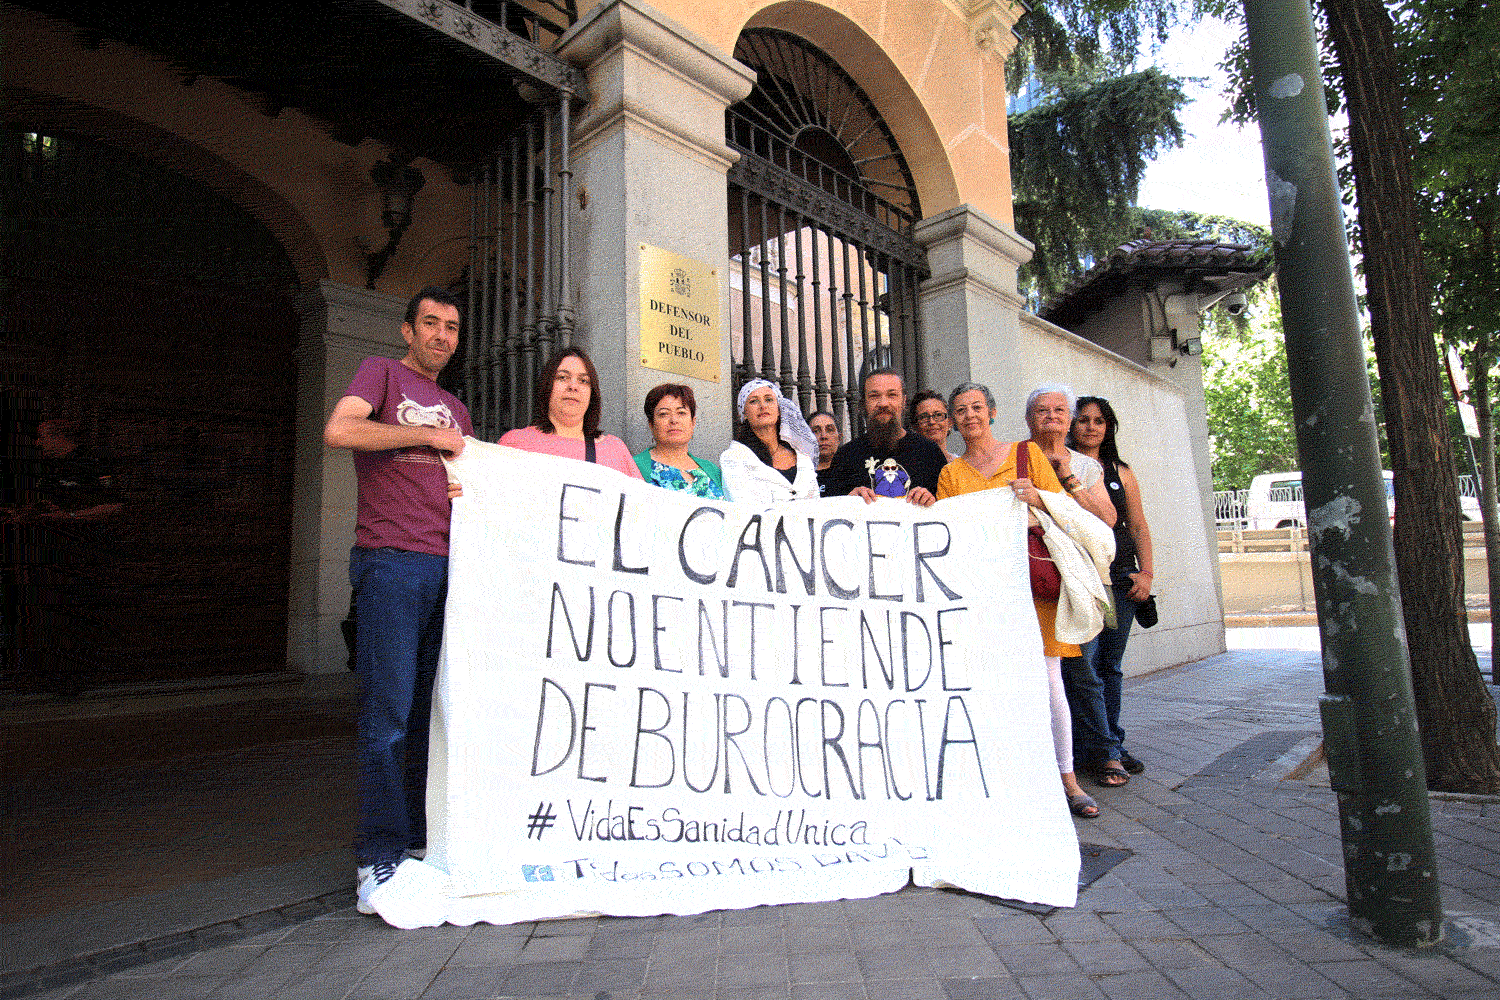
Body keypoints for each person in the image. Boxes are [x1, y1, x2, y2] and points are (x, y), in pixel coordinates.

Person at [322, 286, 472, 917]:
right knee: (385, 715)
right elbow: (339, 430)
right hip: (390, 564)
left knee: (425, 713)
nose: (441, 335)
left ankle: (412, 845)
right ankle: (376, 858)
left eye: (452, 328)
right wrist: (425, 437)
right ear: (408, 330)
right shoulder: (381, 375)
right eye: (430, 324)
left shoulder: (459, 408)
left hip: (447, 567)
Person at [936, 381, 1100, 819]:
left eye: (977, 407)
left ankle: (1067, 778)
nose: (969, 415)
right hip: (985, 589)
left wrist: (1037, 499)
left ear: (991, 413)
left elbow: (1068, 512)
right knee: (994, 683)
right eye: (961, 410)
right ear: (952, 423)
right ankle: (1013, 775)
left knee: (1049, 682)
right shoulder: (950, 475)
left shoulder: (1026, 455)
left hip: (1034, 582)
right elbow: (948, 532)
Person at [1069, 396, 1154, 778]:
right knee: (1085, 667)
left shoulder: (1122, 471)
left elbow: (1137, 525)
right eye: (1083, 420)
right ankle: (1099, 748)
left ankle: (1112, 743)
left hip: (1121, 581)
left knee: (1110, 667)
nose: (1090, 427)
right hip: (1085, 579)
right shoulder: (1063, 466)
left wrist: (1146, 573)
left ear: (1109, 427)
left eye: (1098, 421)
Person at [499, 348, 643, 480]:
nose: (573, 387)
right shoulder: (514, 443)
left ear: (592, 394)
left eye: (583, 381)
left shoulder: (614, 450)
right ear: (546, 386)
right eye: (562, 377)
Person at [823, 369, 944, 506]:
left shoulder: (930, 453)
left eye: (892, 395)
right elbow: (829, 513)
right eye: (874, 396)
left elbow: (949, 511)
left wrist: (932, 501)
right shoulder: (845, 457)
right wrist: (847, 501)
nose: (883, 403)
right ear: (863, 403)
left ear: (903, 401)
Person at [719, 379, 819, 503]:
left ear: (778, 410)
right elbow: (744, 507)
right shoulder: (734, 458)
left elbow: (816, 505)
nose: (763, 406)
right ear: (744, 413)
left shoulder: (802, 457)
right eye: (754, 401)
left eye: (769, 399)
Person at [634, 383, 728, 499]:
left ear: (693, 422)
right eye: (664, 414)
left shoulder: (712, 470)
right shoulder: (635, 467)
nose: (674, 420)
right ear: (651, 424)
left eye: (681, 413)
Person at [909, 389, 955, 462]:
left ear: (950, 422)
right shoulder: (907, 466)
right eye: (923, 417)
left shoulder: (963, 467)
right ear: (914, 426)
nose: (932, 422)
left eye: (938, 415)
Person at [808, 409, 841, 496]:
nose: (823, 436)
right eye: (816, 431)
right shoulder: (801, 475)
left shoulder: (850, 472)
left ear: (839, 437)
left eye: (829, 430)